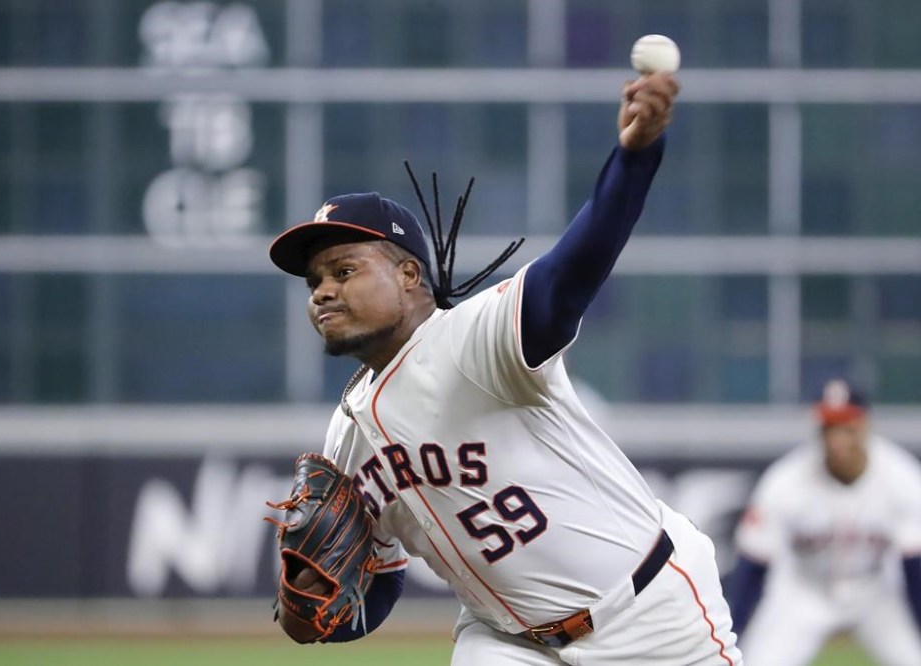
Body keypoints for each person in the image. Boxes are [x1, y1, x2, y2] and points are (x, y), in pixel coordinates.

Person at [268, 73, 742, 665]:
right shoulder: (346, 438)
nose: (321, 292)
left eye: (344, 271)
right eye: (314, 282)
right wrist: (313, 606)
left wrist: (636, 156)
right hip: (507, 641)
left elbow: (574, 269)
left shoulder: (475, 339)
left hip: (648, 612)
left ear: (410, 275)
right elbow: (378, 582)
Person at [728, 378, 921, 666]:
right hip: (804, 592)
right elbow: (752, 567)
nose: (837, 438)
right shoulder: (785, 480)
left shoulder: (902, 477)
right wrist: (735, 632)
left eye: (846, 427)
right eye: (829, 427)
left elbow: (916, 568)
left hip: (875, 593)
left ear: (864, 425)